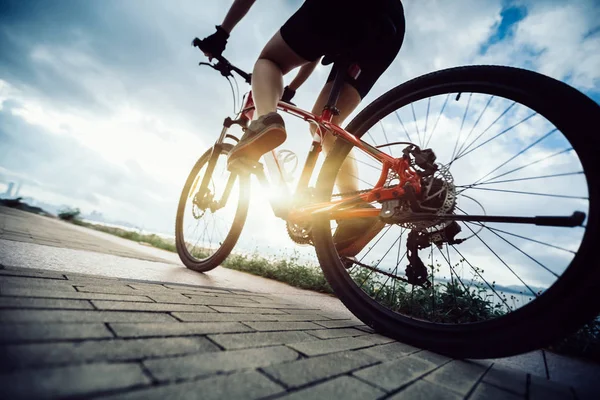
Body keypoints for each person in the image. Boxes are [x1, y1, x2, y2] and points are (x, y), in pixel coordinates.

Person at [200, 0, 405, 257]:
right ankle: (353, 212)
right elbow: (316, 51)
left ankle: (266, 121)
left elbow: (314, 40)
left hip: (339, 11)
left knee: (269, 61)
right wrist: (292, 88)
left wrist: (222, 33)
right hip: (390, 21)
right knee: (324, 123)